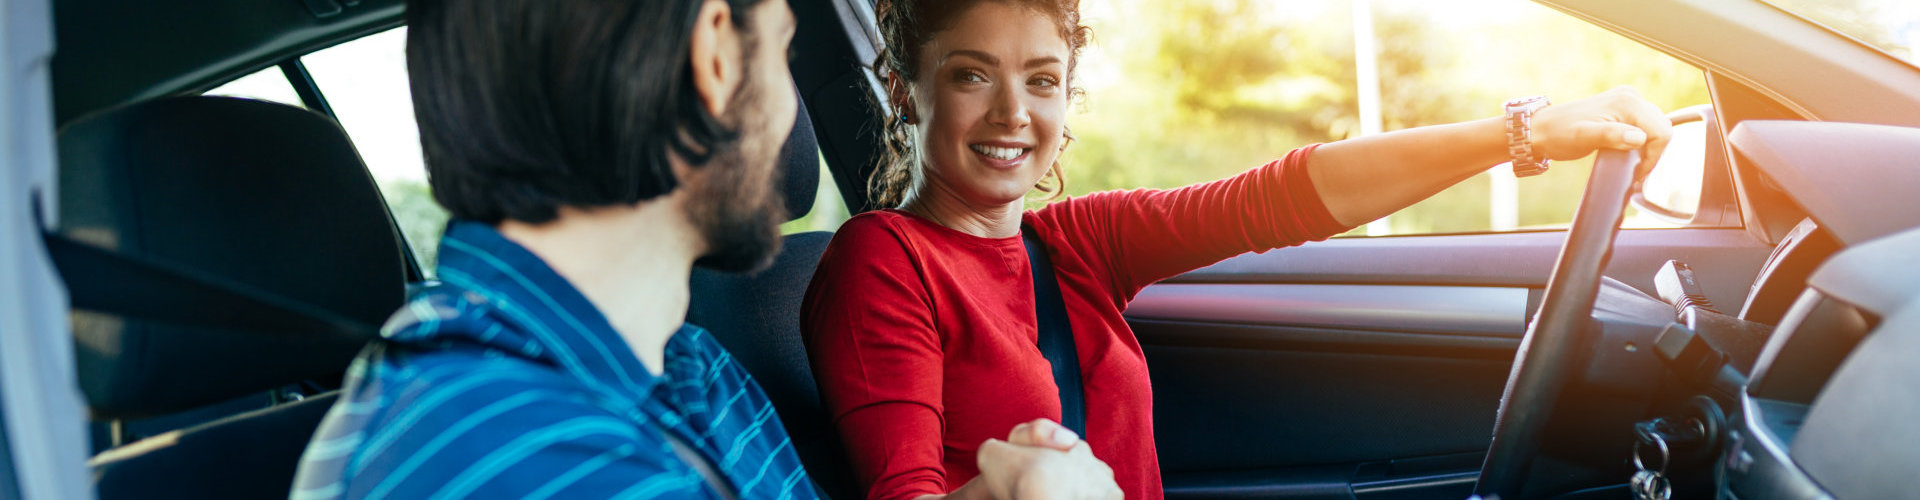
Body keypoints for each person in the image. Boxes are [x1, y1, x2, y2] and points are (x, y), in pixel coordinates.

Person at [798, 0, 1676, 499]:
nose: (1011, 114)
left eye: (1041, 81)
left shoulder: (1073, 244)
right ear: (906, 92)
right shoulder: (883, 261)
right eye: (971, 74)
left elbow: (1282, 196)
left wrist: (1524, 134)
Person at [289, 0, 1120, 498]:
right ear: (717, 54)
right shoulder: (513, 448)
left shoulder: (681, 365)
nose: (790, 118)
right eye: (783, 45)